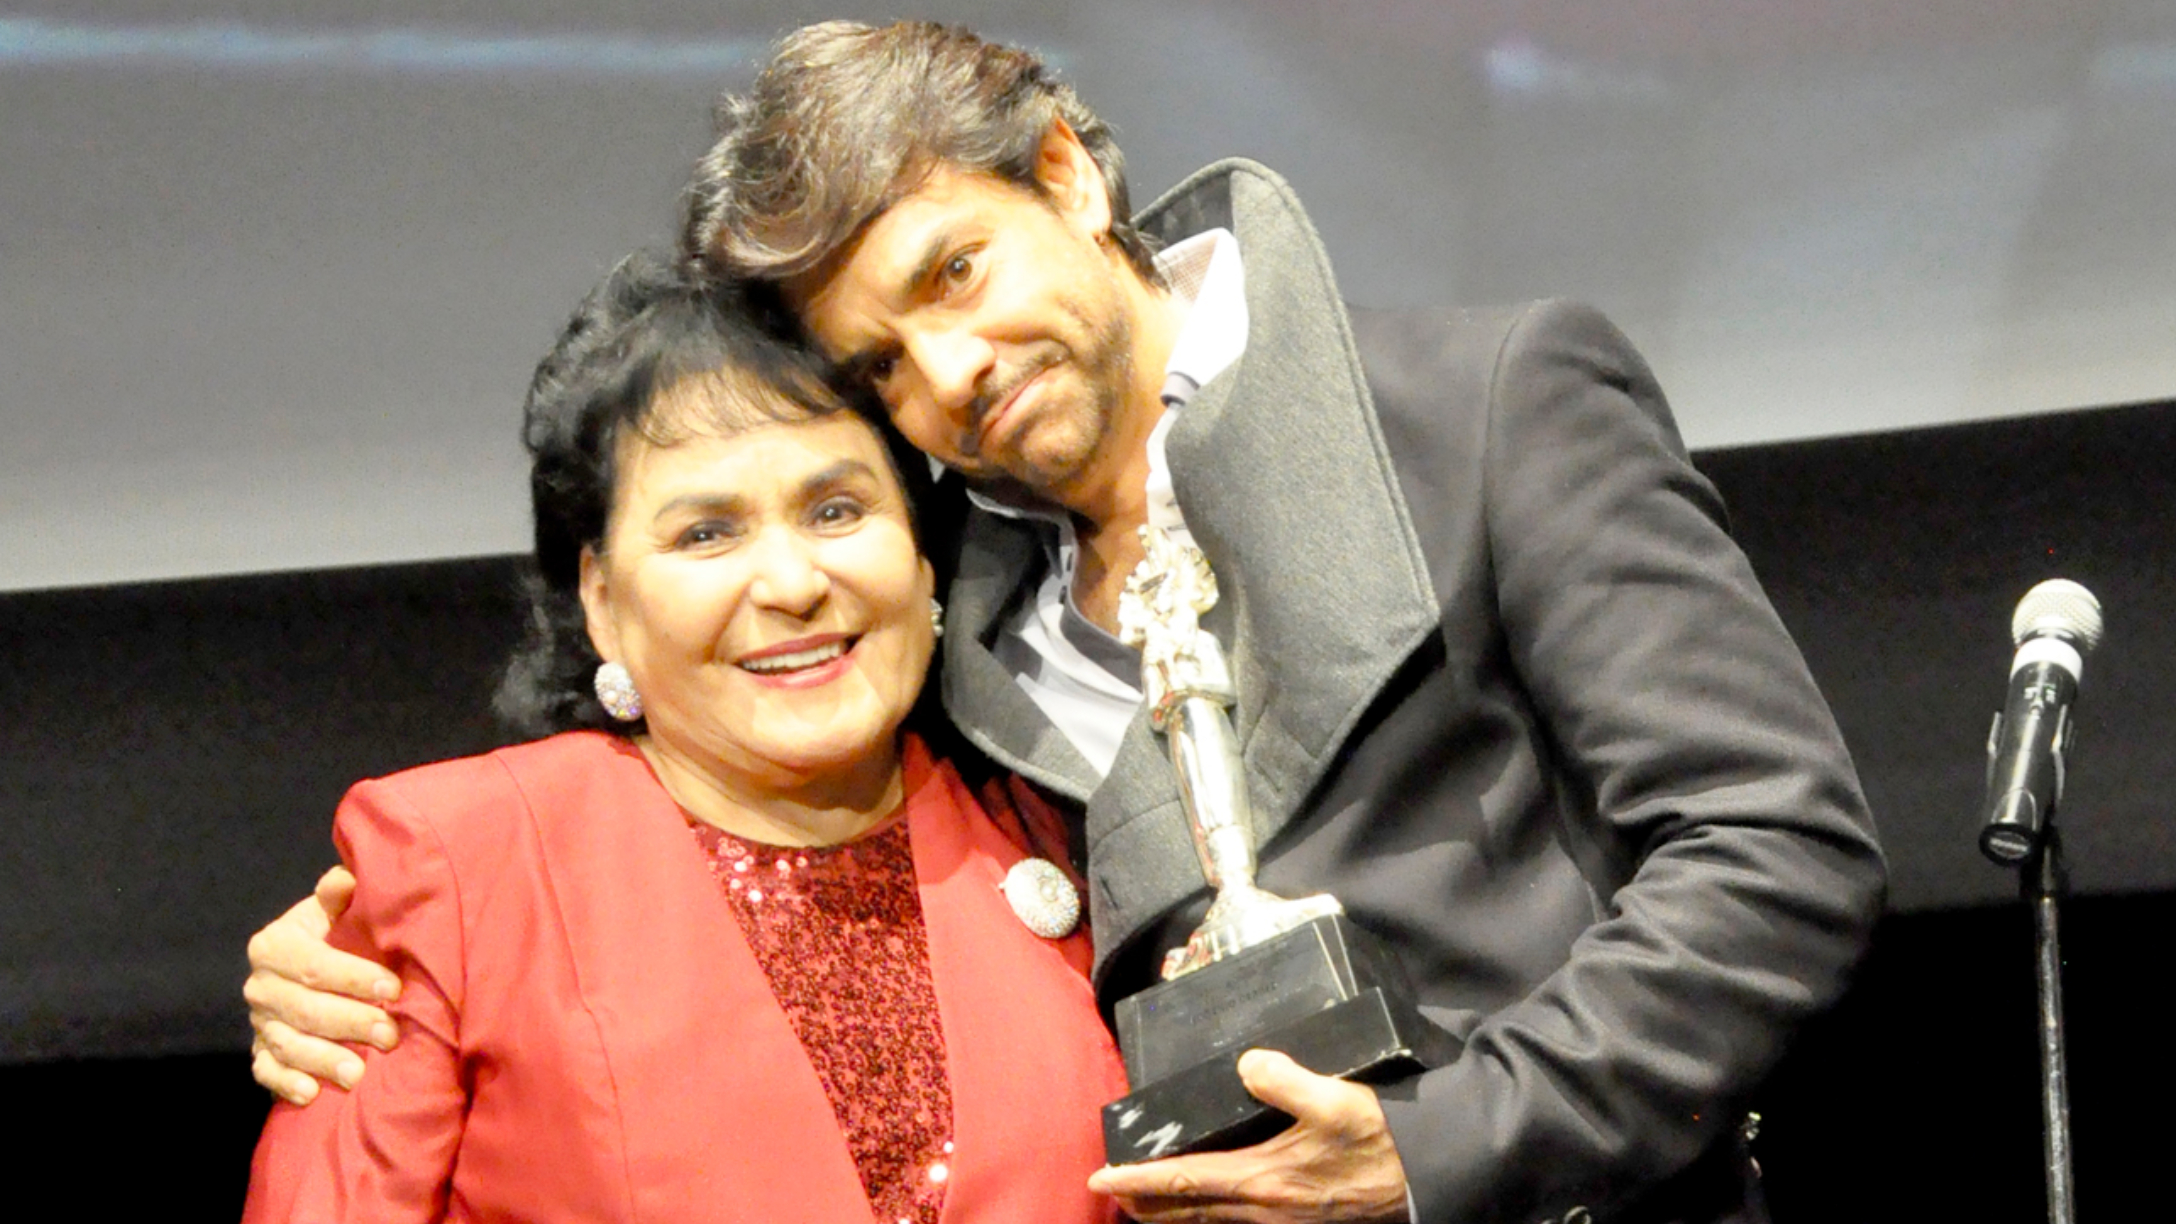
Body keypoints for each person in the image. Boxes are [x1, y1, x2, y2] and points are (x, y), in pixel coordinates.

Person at [249, 22, 1887, 1224]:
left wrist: (1447, 1138)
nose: (947, 373)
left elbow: (1772, 843)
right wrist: (357, 960)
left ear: (1063, 171)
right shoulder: (952, 618)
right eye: (885, 360)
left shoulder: (1479, 404)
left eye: (955, 273)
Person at [240, 251, 1125, 1223]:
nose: (790, 583)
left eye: (836, 510)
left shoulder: (1059, 828)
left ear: (921, 561)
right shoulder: (461, 867)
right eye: (707, 533)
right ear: (605, 602)